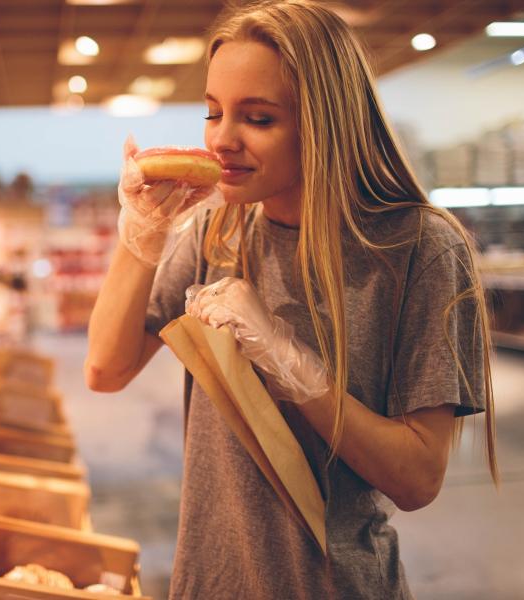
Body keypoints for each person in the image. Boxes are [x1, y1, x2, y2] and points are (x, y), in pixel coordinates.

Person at [85, 1, 498, 598]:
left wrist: (293, 367)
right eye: (212, 112)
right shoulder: (215, 229)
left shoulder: (419, 248)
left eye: (257, 118)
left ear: (326, 123)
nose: (222, 139)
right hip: (208, 580)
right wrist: (140, 237)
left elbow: (417, 478)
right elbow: (105, 368)